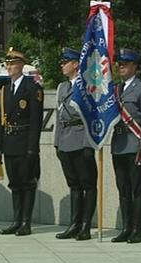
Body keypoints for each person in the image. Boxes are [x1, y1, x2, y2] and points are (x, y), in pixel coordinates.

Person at [110, 48, 141, 244]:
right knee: (123, 189)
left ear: (135, 67)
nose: (121, 66)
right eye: (120, 63)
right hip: (118, 144)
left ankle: (137, 230)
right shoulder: (114, 89)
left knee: (137, 189)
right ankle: (126, 228)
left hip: (135, 144)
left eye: (125, 64)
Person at [0, 48, 43, 236]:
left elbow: (35, 120)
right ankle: (16, 221)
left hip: (25, 142)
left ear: (21, 65)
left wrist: (32, 147)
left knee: (27, 183)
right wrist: (0, 146)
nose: (9, 67)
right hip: (10, 142)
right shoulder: (5, 89)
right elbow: (2, 119)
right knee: (14, 183)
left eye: (13, 63)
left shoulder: (32, 88)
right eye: (7, 64)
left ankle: (26, 222)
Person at [54, 48, 98, 241]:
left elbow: (92, 116)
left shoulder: (87, 86)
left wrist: (89, 145)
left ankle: (85, 226)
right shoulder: (62, 88)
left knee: (87, 184)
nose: (62, 65)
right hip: (65, 139)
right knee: (74, 185)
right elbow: (59, 116)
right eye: (62, 62)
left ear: (76, 64)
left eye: (66, 62)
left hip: (81, 139)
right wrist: (57, 143)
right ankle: (74, 224)